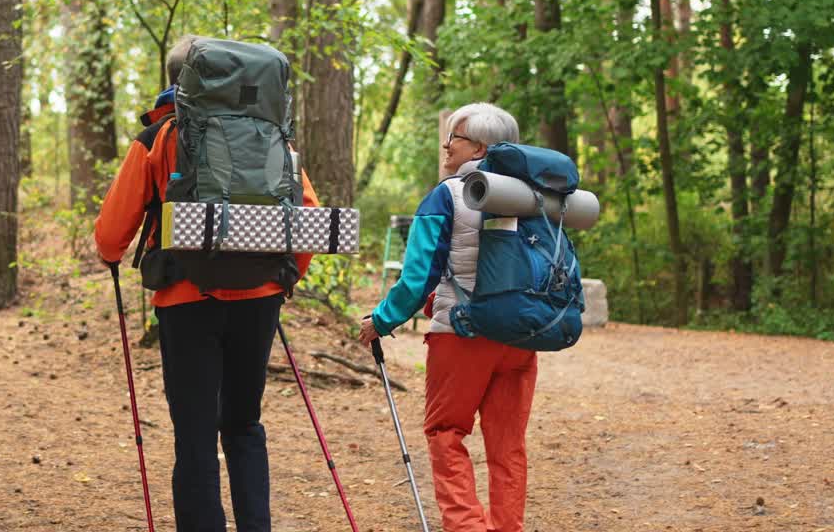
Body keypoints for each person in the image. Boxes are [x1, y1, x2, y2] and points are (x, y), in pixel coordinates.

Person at [94, 35, 320, 532]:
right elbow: (307, 220)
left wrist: (112, 255)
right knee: (244, 425)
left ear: (176, 79)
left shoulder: (160, 138)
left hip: (185, 298)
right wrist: (282, 281)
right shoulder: (274, 139)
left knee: (194, 433)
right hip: (259, 301)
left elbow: (111, 235)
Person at [358, 102, 534, 532]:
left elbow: (418, 277)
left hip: (462, 333)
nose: (445, 144)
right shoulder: (534, 195)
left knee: (446, 433)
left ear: (479, 147)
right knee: (508, 445)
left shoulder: (446, 195)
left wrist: (380, 321)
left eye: (453, 136)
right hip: (521, 334)